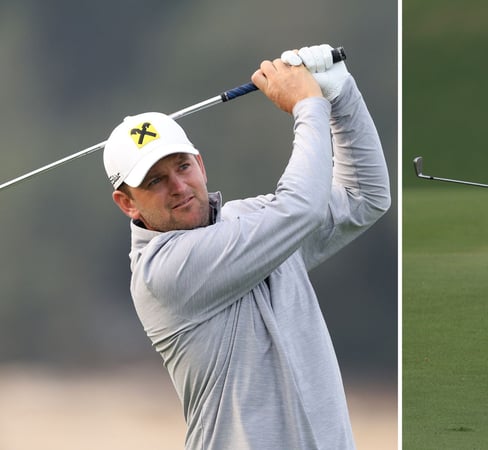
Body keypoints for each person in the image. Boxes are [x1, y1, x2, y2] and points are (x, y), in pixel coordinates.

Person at [103, 44, 391, 449]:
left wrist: (341, 93)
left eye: (182, 166)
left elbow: (365, 198)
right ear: (127, 202)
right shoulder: (162, 273)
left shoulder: (254, 221)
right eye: (154, 181)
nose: (178, 186)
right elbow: (300, 209)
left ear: (200, 165)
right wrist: (309, 104)